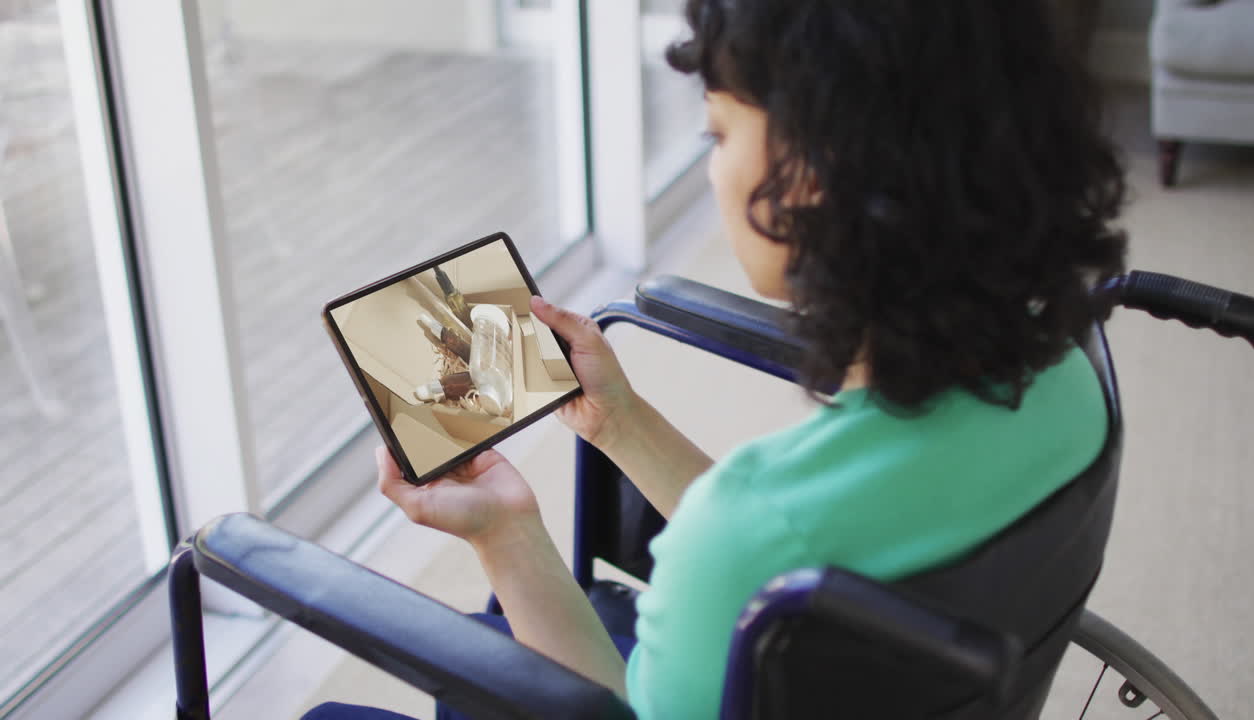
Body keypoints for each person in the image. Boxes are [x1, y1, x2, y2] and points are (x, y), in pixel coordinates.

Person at [304, 0, 1127, 717]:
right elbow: (786, 548)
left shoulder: (740, 535)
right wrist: (619, 421)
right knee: (502, 623)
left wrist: (503, 531)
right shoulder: (1069, 380)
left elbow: (741, 557)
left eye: (719, 130)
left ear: (811, 173)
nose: (711, 161)